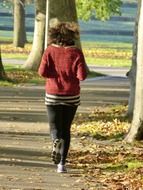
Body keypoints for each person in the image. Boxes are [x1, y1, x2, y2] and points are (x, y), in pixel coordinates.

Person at [38, 19, 88, 173]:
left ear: (55, 35)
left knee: (55, 127)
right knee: (66, 129)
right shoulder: (76, 52)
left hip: (52, 95)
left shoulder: (49, 51)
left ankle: (55, 141)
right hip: (71, 96)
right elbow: (82, 76)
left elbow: (41, 72)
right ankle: (62, 165)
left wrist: (54, 73)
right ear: (72, 36)